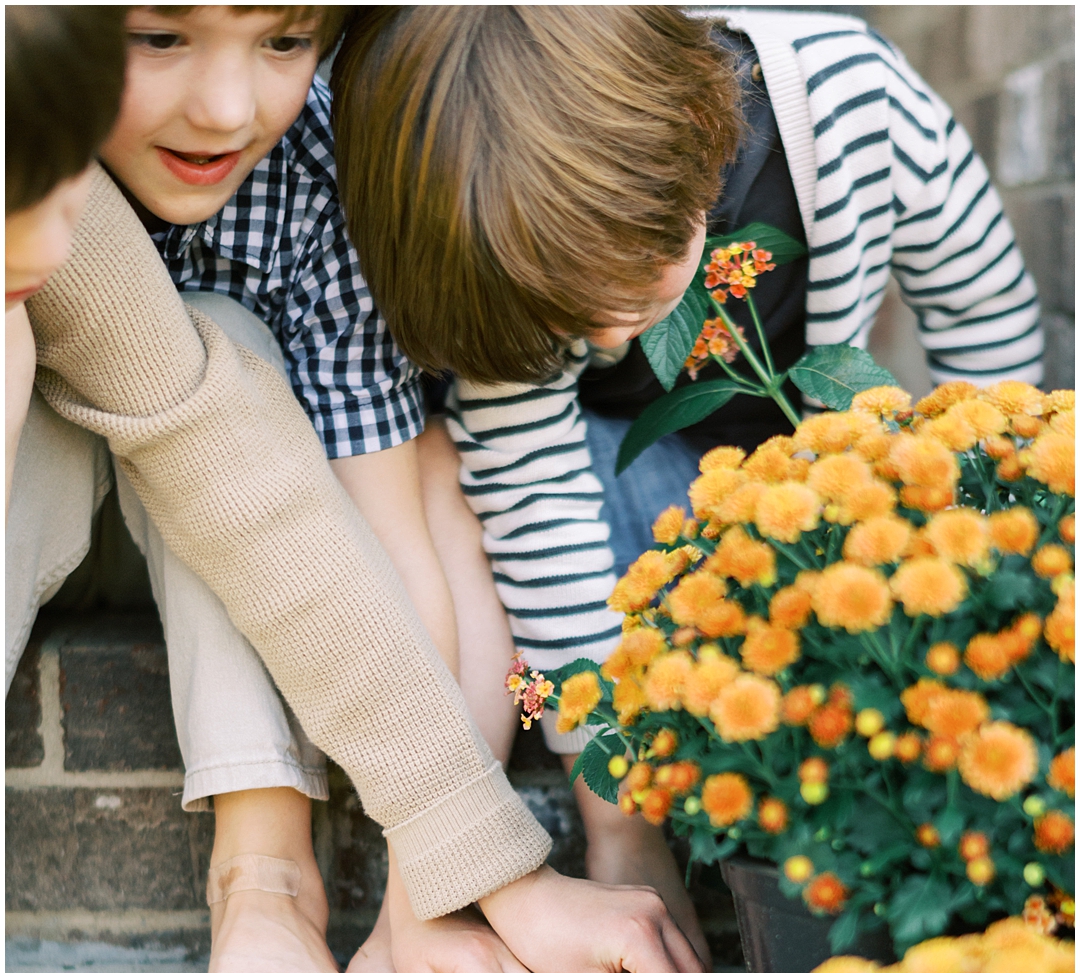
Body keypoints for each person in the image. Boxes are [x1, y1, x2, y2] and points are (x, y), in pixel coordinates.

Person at [8, 6, 710, 973]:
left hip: (201, 453)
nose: (229, 105)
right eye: (160, 37)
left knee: (213, 350)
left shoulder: (320, 180)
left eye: (286, 41)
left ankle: (269, 876)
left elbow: (364, 517)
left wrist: (450, 866)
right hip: (43, 481)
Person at [330, 4, 1045, 919]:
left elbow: (981, 315)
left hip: (802, 480)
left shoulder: (853, 101)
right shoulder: (500, 223)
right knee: (512, 532)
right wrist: (622, 826)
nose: (610, 335)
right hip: (621, 494)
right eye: (567, 322)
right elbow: (537, 507)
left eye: (631, 287)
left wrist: (986, 531)